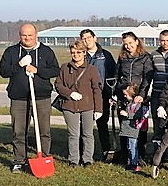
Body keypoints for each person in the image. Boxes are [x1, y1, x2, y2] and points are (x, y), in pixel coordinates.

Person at [0, 23, 59, 173]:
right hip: (19, 98)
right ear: (20, 36)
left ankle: (44, 157)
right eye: (24, 35)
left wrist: (37, 70)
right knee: (19, 131)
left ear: (36, 35)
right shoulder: (11, 51)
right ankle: (19, 161)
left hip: (41, 98)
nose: (27, 38)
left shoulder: (46, 51)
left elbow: (55, 70)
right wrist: (19, 65)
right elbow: (3, 71)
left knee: (44, 131)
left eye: (30, 35)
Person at [55, 39, 103, 167]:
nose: (76, 55)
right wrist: (69, 93)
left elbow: (97, 89)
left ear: (84, 53)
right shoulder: (65, 68)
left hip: (87, 106)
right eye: (73, 52)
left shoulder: (91, 69)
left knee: (88, 134)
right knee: (73, 134)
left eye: (79, 52)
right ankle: (73, 160)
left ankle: (87, 159)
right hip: (69, 106)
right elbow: (58, 85)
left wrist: (98, 109)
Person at [114, 31, 154, 163]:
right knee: (124, 125)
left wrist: (141, 95)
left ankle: (140, 155)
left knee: (139, 126)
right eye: (125, 44)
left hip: (138, 97)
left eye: (130, 43)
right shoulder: (122, 57)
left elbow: (147, 78)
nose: (128, 46)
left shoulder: (145, 58)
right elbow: (117, 75)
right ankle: (125, 154)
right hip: (124, 96)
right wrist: (116, 92)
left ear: (137, 42)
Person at [80, 29, 116, 161]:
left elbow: (113, 74)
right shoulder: (81, 55)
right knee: (84, 126)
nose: (86, 41)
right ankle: (83, 152)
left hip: (102, 96)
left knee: (102, 125)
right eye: (84, 38)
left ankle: (106, 150)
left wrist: (112, 94)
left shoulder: (106, 55)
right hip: (85, 96)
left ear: (95, 38)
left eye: (89, 37)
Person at [150, 29, 168, 150]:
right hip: (157, 93)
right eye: (162, 40)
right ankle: (158, 151)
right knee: (158, 123)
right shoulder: (153, 55)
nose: (165, 43)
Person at [118, 83, 149, 172]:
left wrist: (127, 114)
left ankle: (134, 164)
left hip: (132, 129)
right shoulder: (128, 103)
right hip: (127, 129)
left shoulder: (137, 104)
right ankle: (131, 162)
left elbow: (137, 115)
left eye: (126, 94)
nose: (125, 96)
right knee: (129, 146)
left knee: (133, 146)